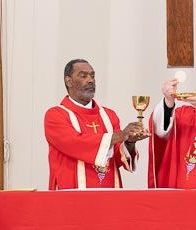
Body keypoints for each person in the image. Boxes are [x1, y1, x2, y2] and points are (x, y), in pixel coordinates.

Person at [44, 59, 149, 190]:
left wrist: (129, 142)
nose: (90, 80)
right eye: (83, 76)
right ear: (68, 81)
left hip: (109, 194)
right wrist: (121, 136)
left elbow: (117, 156)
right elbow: (74, 143)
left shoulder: (109, 115)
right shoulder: (56, 115)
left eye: (92, 76)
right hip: (71, 197)